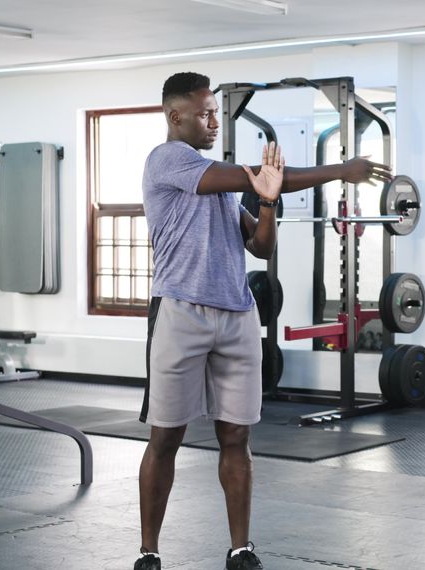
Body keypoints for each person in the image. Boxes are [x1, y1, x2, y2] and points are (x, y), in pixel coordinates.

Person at [135, 71, 392, 570]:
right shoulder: (167, 160)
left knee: (237, 437)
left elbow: (261, 245)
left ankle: (240, 548)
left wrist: (269, 202)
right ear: (175, 116)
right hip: (180, 312)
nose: (214, 121)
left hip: (236, 315)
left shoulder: (221, 183)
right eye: (205, 113)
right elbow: (259, 175)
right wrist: (342, 169)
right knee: (166, 435)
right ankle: (149, 551)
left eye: (216, 111)